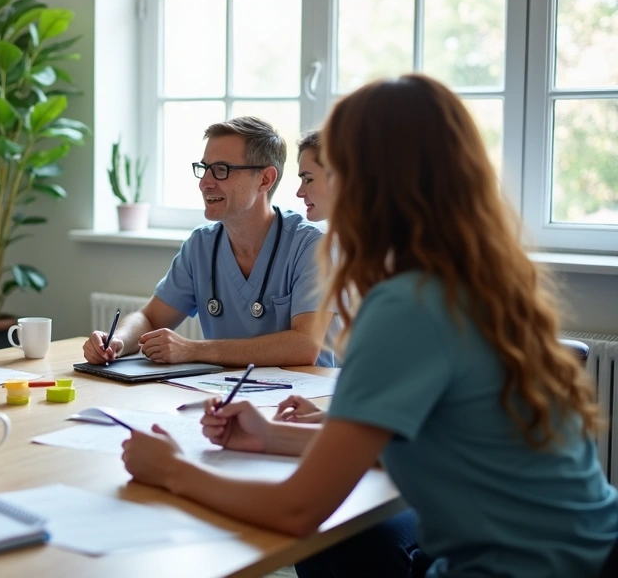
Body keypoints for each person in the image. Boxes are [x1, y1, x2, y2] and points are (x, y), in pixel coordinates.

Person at [120, 74, 618, 577]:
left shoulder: (407, 305)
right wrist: (271, 436)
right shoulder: (477, 279)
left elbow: (297, 510)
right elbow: (403, 444)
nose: (307, 186)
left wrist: (172, 471)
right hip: (587, 548)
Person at [83, 116, 334, 367]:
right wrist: (117, 340)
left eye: (221, 170)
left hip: (306, 391)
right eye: (204, 169)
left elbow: (305, 345)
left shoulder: (310, 246)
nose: (204, 183)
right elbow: (150, 318)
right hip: (226, 389)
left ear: (265, 179)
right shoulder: (201, 245)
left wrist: (192, 349)